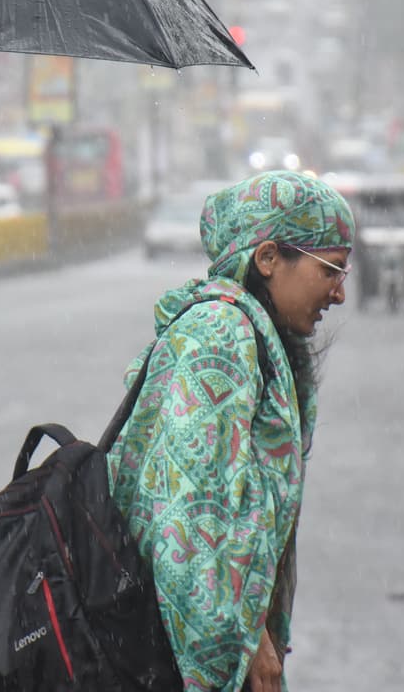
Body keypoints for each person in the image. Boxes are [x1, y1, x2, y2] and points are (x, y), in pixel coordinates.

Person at [107, 171, 355, 692]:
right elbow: (187, 524)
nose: (340, 292)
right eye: (330, 268)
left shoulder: (257, 337)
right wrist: (245, 648)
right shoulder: (219, 336)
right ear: (268, 259)